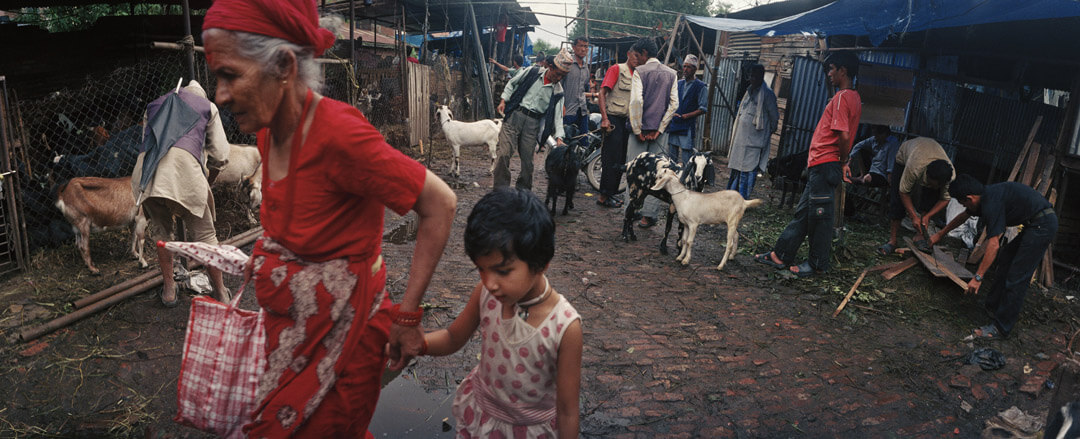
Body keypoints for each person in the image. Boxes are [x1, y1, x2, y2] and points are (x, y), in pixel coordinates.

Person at [202, 1, 458, 436]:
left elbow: (440, 204)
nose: (220, 96)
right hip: (292, 334)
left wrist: (407, 317)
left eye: (230, 74)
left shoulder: (341, 136)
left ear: (282, 65)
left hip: (347, 339)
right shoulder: (266, 133)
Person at [422, 188, 583, 438]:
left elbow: (567, 411)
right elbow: (453, 338)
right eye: (481, 270)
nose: (490, 282)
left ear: (541, 264)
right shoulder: (486, 295)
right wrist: (417, 343)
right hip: (482, 419)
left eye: (503, 271)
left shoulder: (564, 327)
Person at [755, 52, 862, 277]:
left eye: (832, 69)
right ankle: (780, 254)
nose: (829, 74)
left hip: (826, 164)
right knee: (804, 213)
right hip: (821, 165)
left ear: (843, 70)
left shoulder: (843, 97)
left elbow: (843, 136)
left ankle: (817, 264)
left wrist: (842, 162)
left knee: (821, 218)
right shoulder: (853, 98)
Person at [132, 80, 230, 307]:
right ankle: (221, 292)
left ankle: (169, 291)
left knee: (161, 234)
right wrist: (208, 182)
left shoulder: (153, 105)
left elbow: (148, 143)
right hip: (184, 171)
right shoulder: (207, 106)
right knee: (205, 236)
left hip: (147, 175)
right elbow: (221, 155)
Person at [929, 174, 1057, 339]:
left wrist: (978, 277)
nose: (963, 206)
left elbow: (993, 244)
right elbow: (963, 216)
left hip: (1043, 225)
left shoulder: (991, 203)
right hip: (1034, 223)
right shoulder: (983, 197)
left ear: (970, 198)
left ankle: (1001, 328)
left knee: (1017, 276)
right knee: (1005, 260)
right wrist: (940, 234)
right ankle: (993, 306)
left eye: (962, 203)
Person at [494, 48, 573, 190]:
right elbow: (512, 83)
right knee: (504, 155)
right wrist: (503, 100)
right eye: (558, 73)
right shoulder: (532, 72)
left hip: (532, 125)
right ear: (550, 67)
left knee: (528, 164)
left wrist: (560, 137)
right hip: (515, 116)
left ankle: (523, 194)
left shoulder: (558, 91)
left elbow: (558, 117)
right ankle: (501, 190)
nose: (559, 78)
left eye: (563, 76)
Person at [627, 37, 678, 228]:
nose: (636, 60)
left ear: (644, 54)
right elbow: (674, 104)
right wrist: (660, 129)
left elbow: (636, 102)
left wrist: (638, 129)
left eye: (637, 56)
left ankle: (630, 212)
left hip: (639, 133)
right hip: (659, 134)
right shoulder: (672, 74)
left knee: (635, 171)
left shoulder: (640, 72)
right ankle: (648, 216)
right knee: (659, 174)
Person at [878, 137, 955, 255]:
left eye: (936, 186)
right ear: (926, 176)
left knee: (930, 201)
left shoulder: (950, 175)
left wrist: (928, 216)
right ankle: (892, 241)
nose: (933, 187)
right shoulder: (914, 167)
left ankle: (919, 236)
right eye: (930, 183)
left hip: (930, 149)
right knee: (897, 202)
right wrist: (913, 216)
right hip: (906, 155)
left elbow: (945, 199)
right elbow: (903, 192)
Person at [595, 48, 640, 208]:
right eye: (635, 55)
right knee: (610, 158)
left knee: (620, 160)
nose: (637, 59)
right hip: (613, 119)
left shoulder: (638, 75)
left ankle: (611, 194)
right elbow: (602, 93)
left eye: (640, 56)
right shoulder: (617, 69)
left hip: (627, 122)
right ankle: (603, 196)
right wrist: (605, 118)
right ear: (628, 54)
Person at [726, 63, 778, 199]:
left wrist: (765, 135)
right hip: (741, 141)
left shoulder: (767, 94)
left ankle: (742, 200)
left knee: (747, 172)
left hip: (754, 143)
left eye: (755, 76)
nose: (752, 79)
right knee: (736, 170)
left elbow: (774, 119)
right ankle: (731, 197)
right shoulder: (749, 91)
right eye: (751, 76)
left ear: (761, 76)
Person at [666, 55, 709, 167]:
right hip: (675, 124)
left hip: (687, 126)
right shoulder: (679, 83)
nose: (685, 69)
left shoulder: (701, 86)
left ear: (694, 69)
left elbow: (703, 108)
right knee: (671, 158)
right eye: (684, 66)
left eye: (689, 67)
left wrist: (687, 116)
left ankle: (686, 181)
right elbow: (671, 101)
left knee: (687, 159)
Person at [563, 37, 592, 141]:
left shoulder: (586, 68)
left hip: (582, 111)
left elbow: (585, 89)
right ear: (574, 47)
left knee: (583, 142)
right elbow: (558, 87)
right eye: (581, 46)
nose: (583, 49)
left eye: (586, 46)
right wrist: (562, 107)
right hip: (568, 111)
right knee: (566, 143)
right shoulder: (567, 64)